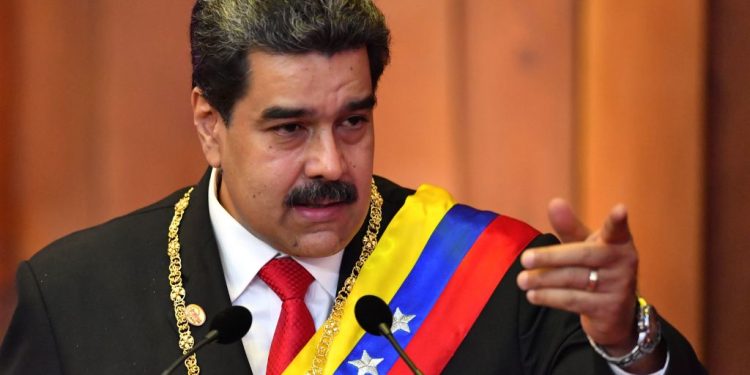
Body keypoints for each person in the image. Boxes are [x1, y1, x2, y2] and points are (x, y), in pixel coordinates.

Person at [0, 1, 705, 374]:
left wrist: (628, 343)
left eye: (354, 121)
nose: (332, 164)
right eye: (291, 129)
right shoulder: (74, 297)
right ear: (210, 124)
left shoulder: (493, 281)